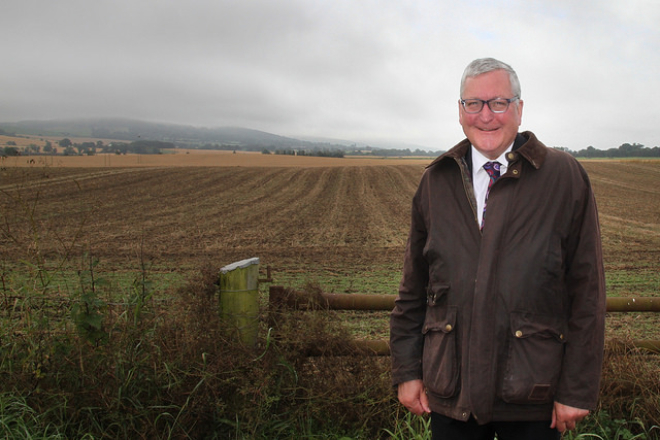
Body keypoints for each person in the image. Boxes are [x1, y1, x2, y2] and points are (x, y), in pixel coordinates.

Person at [389, 58, 606, 440]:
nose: (485, 115)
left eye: (499, 103)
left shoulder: (564, 177)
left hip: (533, 394)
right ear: (460, 112)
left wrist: (577, 389)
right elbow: (412, 291)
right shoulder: (435, 182)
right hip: (450, 393)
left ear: (520, 109)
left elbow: (587, 291)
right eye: (473, 104)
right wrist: (408, 372)